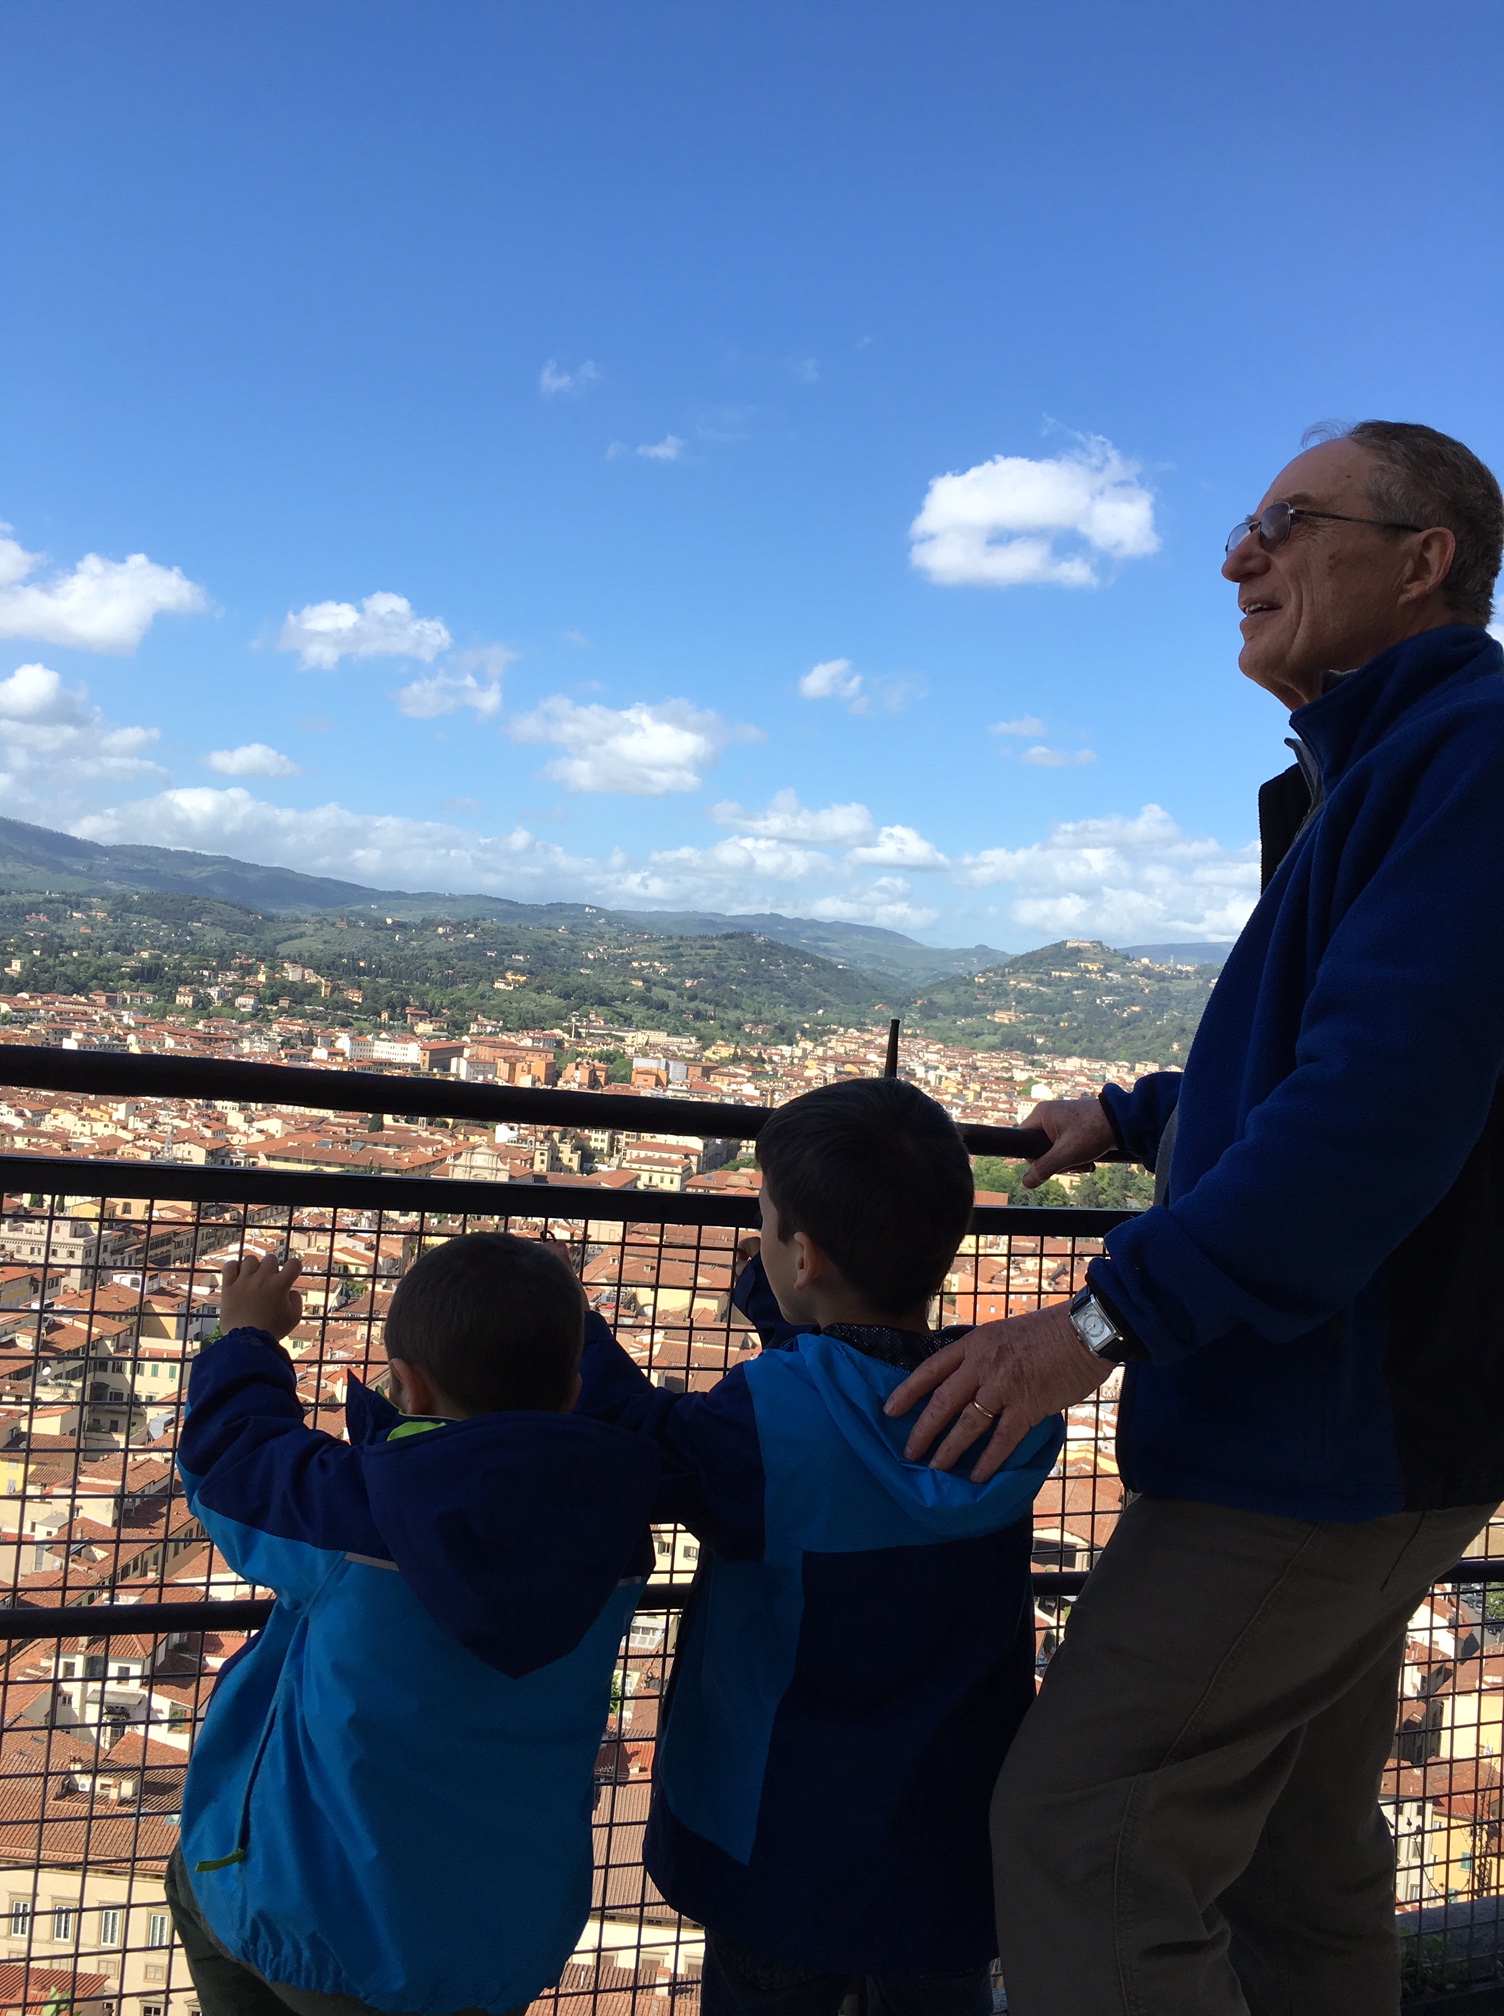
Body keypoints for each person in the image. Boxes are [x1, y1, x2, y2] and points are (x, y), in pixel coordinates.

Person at [885, 419, 1504, 2016]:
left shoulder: (1472, 759)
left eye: (1285, 521)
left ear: (1423, 561)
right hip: (1373, 1419)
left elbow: (1378, 1110)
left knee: (1084, 1834)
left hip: (1327, 1429)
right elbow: (1341, 1053)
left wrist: (1101, 1322)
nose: (1239, 557)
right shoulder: (1396, 765)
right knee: (1294, 1853)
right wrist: (1144, 1113)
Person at [577, 1076, 1063, 2016]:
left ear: (803, 1257)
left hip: (781, 1851)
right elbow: (863, 1396)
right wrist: (783, 1310)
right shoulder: (1001, 1407)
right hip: (945, 1847)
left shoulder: (758, 1430)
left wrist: (570, 1324)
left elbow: (645, 1435)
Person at [168, 1233, 662, 2016]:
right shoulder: (616, 1536)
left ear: (407, 1384)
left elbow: (228, 1461)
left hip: (318, 1927)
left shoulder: (355, 1512)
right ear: (573, 1390)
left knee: (195, 1880)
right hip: (500, 1941)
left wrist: (247, 1337)